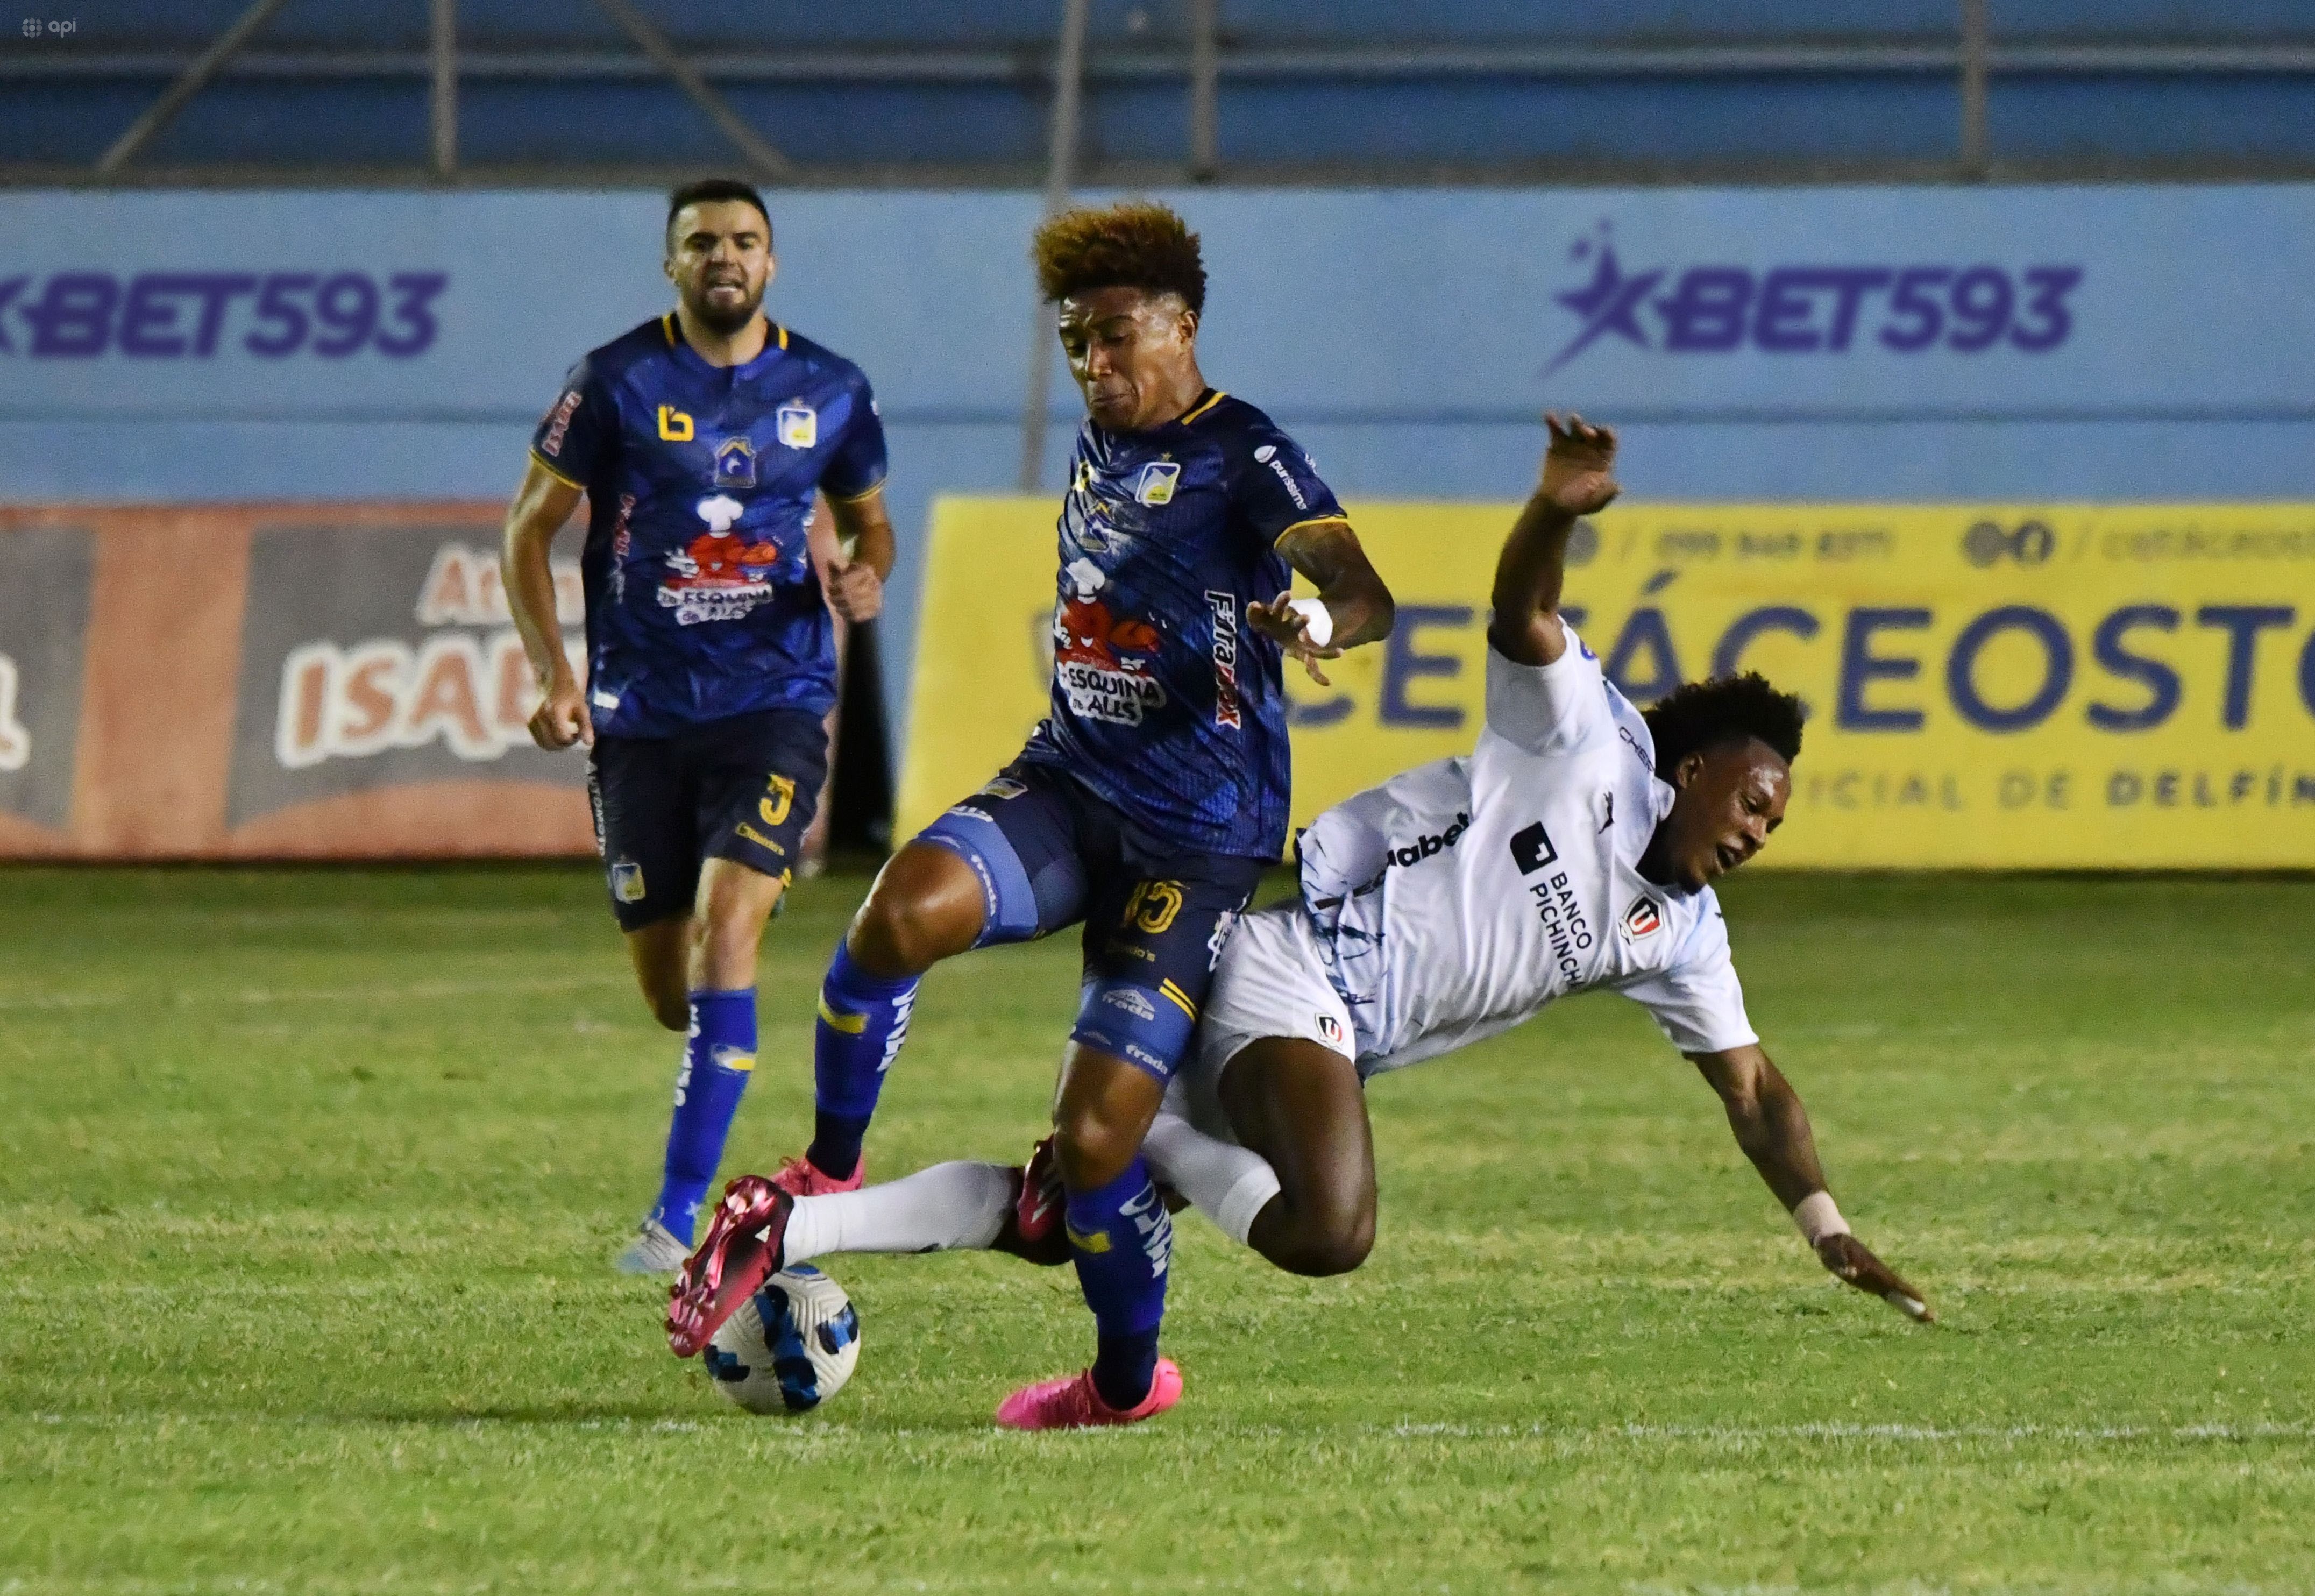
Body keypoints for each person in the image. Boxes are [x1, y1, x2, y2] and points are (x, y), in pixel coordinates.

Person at [686, 416, 1933, 1403]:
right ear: (1700, 763)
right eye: (1756, 798)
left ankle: (790, 1217)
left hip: (1329, 1039)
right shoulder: (1586, 744)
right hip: (1295, 973)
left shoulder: (1680, 934)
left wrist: (1824, 1227)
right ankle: (1132, 1146)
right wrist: (1551, 508)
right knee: (1329, 1230)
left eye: (1775, 823)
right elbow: (1525, 613)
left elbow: (1756, 1092)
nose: (1760, 830)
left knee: (1052, 1220)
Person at [666, 201, 1396, 1428]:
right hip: (1069, 780)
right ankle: (827, 1166)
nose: (1093, 365)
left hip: (1196, 838)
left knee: (1096, 1145)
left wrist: (1319, 622)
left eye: (1115, 338)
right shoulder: (1104, 439)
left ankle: (1122, 1385)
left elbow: (1358, 586)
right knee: (900, 912)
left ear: (1183, 326)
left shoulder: (1243, 452)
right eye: (1074, 342)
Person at [500, 178, 896, 1275]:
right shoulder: (615, 382)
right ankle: (728, 1059)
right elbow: (527, 532)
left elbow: (872, 528)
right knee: (674, 991)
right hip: (639, 715)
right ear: (671, 263)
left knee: (730, 932)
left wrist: (864, 579)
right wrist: (552, 672)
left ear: (771, 261)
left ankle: (677, 1219)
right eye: (701, 241)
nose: (724, 256)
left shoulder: (830, 387)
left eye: (744, 240)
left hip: (773, 702)